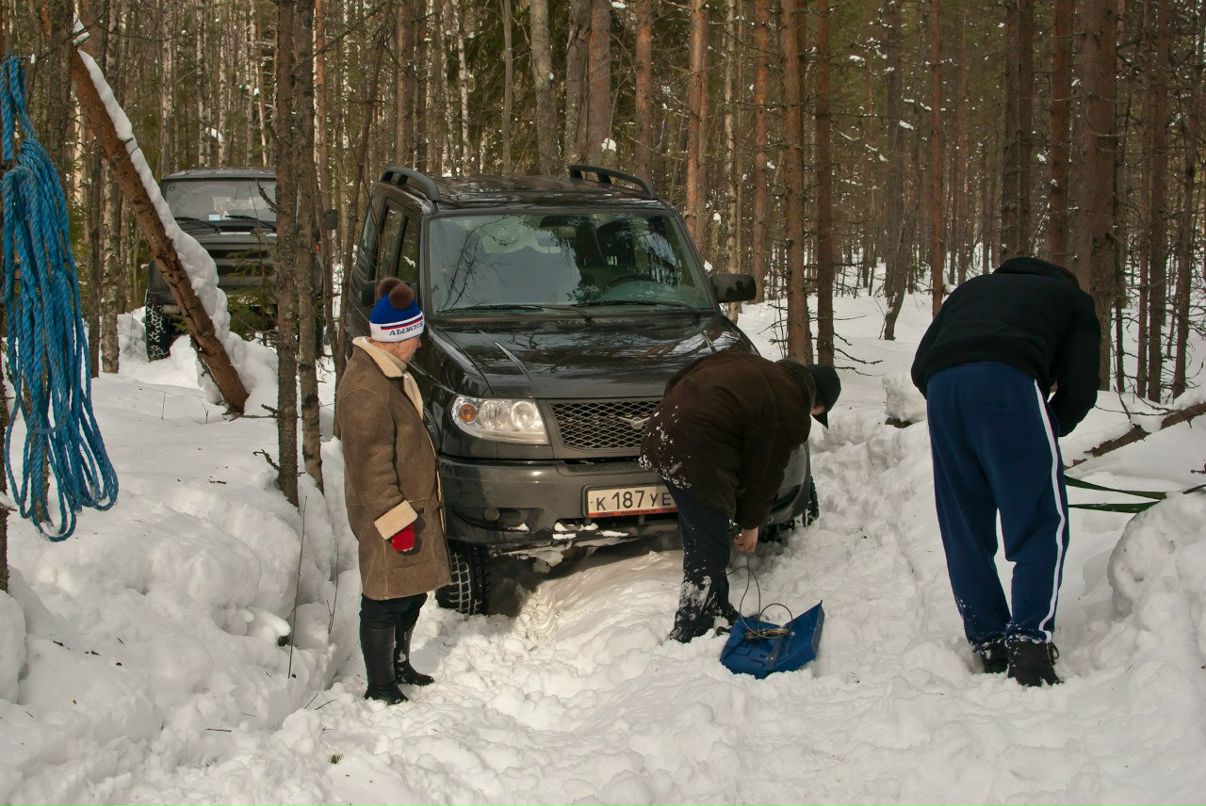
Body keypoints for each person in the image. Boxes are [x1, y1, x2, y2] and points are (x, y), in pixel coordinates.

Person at [910, 256, 1100, 687]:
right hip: (1009, 381)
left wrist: (955, 402)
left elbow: (921, 363)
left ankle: (989, 638)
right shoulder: (1071, 299)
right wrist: (1045, 429)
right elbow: (1081, 387)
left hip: (943, 391)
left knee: (963, 523)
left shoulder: (970, 290)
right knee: (1037, 518)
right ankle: (1030, 644)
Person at [639, 350, 841, 643]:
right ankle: (690, 629)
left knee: (704, 539)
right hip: (696, 453)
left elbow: (680, 378)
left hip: (661, 434)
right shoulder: (789, 408)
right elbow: (765, 474)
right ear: (816, 402)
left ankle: (715, 608)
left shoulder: (751, 365)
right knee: (711, 551)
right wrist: (751, 524)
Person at [336, 278, 451, 704]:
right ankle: (380, 685)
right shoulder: (367, 388)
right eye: (416, 335)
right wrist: (395, 520)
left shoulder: (387, 373)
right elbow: (369, 466)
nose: (420, 343)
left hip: (412, 505)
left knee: (412, 592)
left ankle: (399, 665)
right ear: (398, 338)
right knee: (384, 598)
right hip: (390, 511)